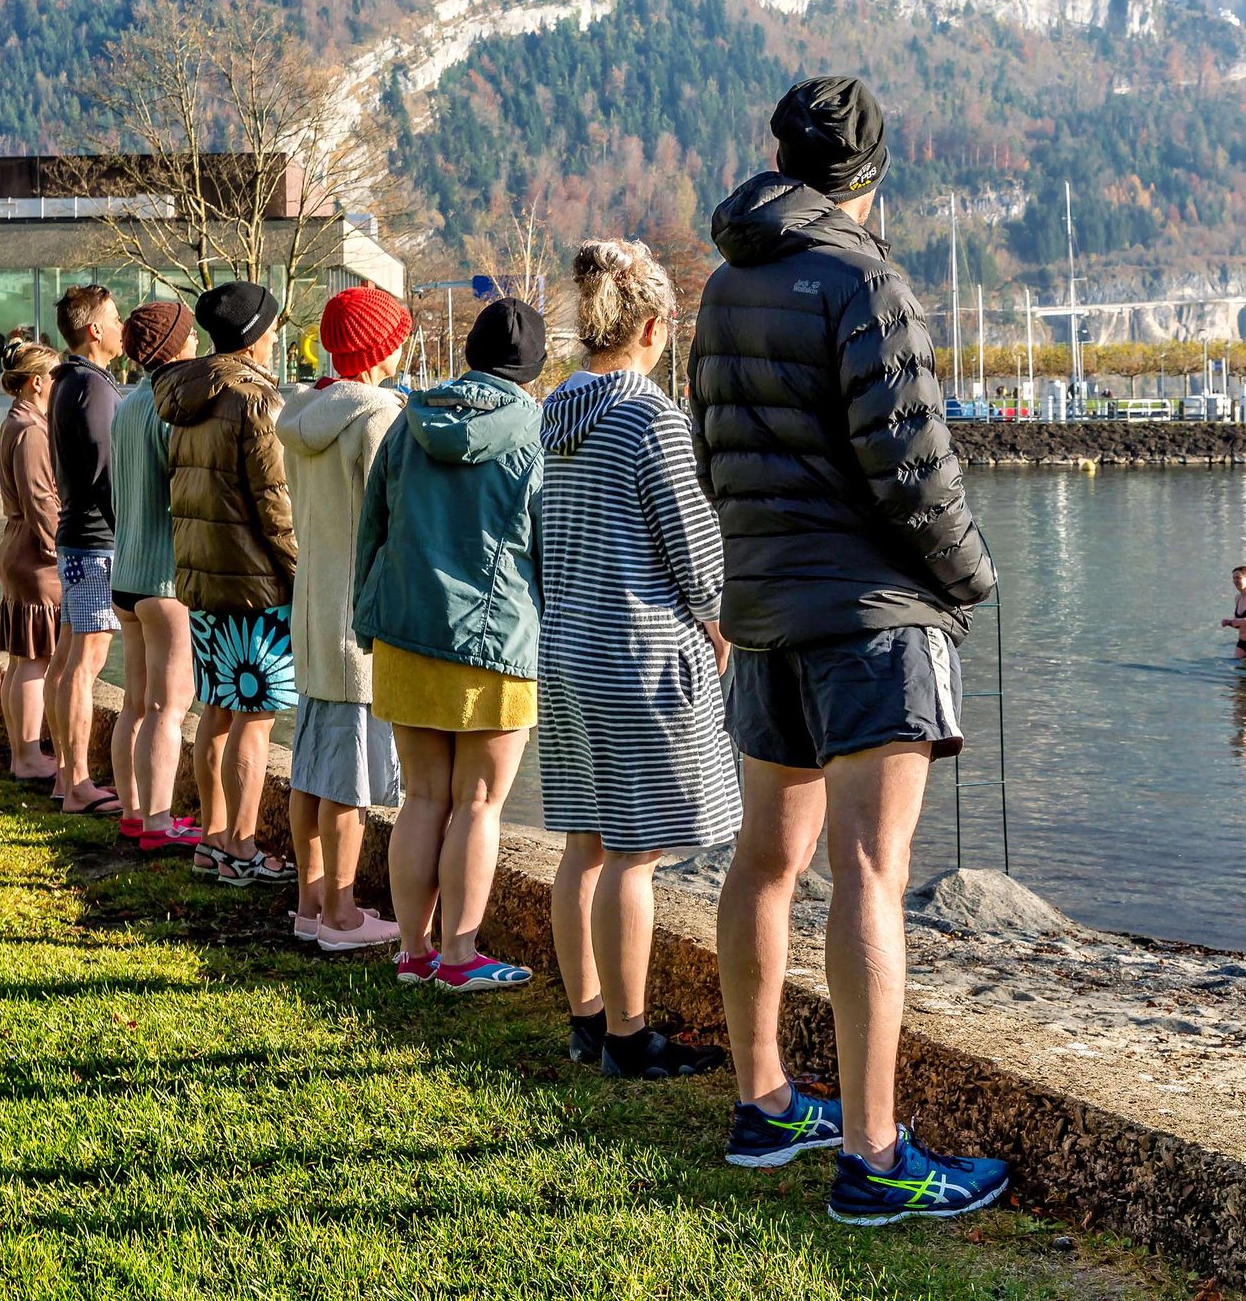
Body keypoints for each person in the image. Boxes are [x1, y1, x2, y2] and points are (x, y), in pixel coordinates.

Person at [692, 75, 1008, 1223]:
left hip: (767, 608)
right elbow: (913, 468)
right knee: (870, 874)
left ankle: (764, 1098)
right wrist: (971, 576)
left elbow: (710, 451)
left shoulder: (725, 285)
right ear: (871, 180)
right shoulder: (865, 281)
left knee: (765, 860)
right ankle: (875, 1156)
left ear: (778, 156)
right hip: (871, 618)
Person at [540, 242, 739, 1079]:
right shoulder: (651, 416)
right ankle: (629, 1034)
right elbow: (694, 552)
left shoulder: (555, 411)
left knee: (583, 844)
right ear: (653, 328)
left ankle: (587, 1017)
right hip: (638, 652)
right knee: (635, 853)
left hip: (566, 651)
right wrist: (723, 627)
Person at [354, 298, 547, 992]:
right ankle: (460, 955)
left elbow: (371, 526)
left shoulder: (408, 422)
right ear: (533, 366)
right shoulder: (536, 432)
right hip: (494, 640)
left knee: (423, 796)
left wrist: (364, 618)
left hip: (406, 629)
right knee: (479, 801)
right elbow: (545, 546)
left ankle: (412, 952)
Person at [276, 285, 411, 946]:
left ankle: (309, 902)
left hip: (310, 608)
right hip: (356, 616)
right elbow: (392, 520)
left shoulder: (304, 415)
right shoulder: (378, 416)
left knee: (308, 767)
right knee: (350, 779)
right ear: (382, 348)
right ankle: (343, 913)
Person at [159, 281, 300, 888]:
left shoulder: (187, 394)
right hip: (253, 584)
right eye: (271, 327)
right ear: (253, 336)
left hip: (201, 578)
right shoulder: (256, 401)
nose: (276, 336)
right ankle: (240, 845)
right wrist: (302, 570)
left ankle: (211, 839)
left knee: (216, 708)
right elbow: (276, 503)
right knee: (257, 718)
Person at [109, 300, 201, 854]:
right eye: (190, 336)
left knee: (135, 702)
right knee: (171, 707)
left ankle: (132, 811)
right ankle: (160, 823)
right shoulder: (174, 407)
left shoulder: (127, 405)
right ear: (178, 345)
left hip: (125, 572)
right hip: (166, 578)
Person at [43, 284, 125, 817]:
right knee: (85, 663)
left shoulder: (67, 382)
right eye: (115, 318)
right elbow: (104, 471)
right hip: (95, 541)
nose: (121, 327)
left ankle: (64, 779)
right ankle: (78, 783)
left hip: (77, 537)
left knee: (70, 656)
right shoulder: (92, 387)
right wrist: (130, 531)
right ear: (94, 329)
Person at [0, 343, 64, 781]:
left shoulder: (14, 422)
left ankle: (21, 750)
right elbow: (41, 500)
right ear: (37, 381)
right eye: (55, 377)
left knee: (23, 658)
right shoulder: (33, 430)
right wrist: (61, 550)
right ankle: (29, 756)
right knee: (37, 659)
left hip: (16, 547)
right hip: (36, 556)